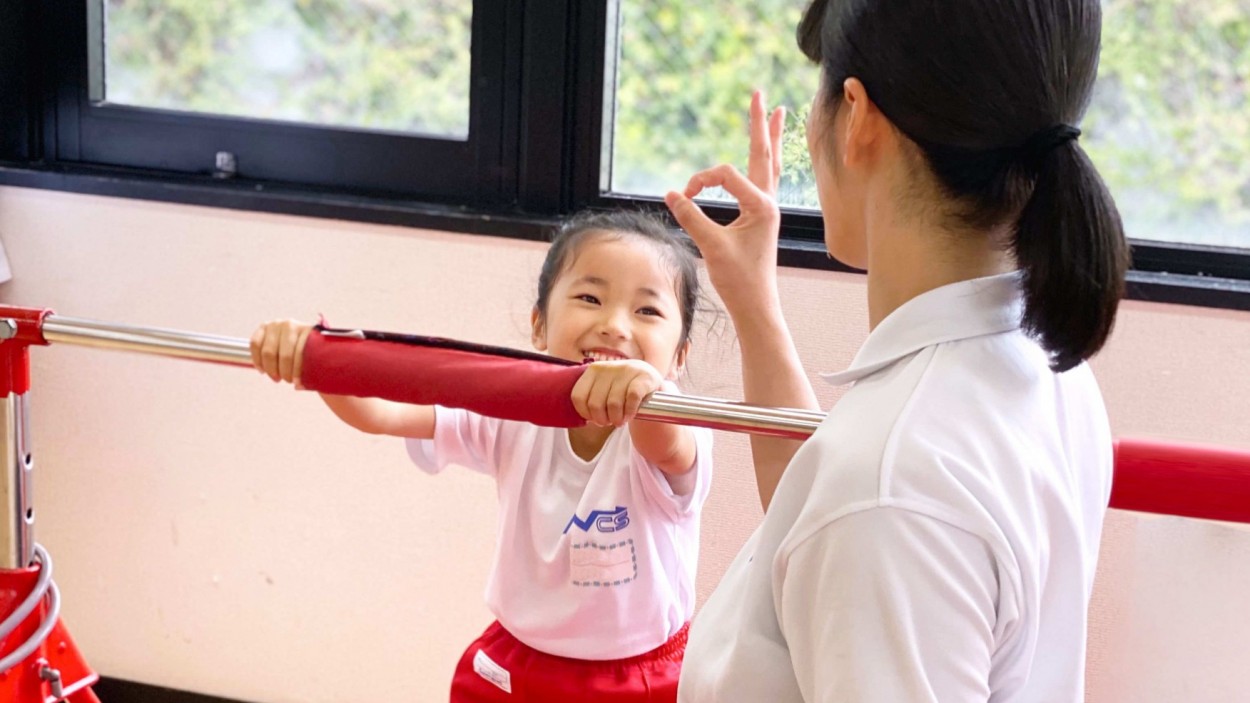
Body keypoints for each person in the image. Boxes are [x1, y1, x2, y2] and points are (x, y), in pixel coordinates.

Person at [662, 0, 1130, 701]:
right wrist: (754, 301)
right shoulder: (1044, 364)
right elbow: (830, 508)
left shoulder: (893, 480)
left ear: (857, 115)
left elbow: (871, 503)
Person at [250, 210, 714, 703]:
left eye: (647, 312)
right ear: (539, 326)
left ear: (679, 355)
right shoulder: (511, 411)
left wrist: (645, 389)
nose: (615, 325)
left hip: (640, 678)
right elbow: (381, 413)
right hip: (518, 663)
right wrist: (313, 360)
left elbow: (666, 441)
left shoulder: (675, 428)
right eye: (589, 298)